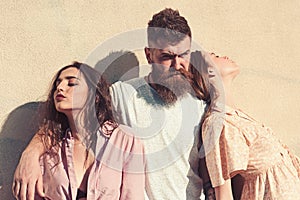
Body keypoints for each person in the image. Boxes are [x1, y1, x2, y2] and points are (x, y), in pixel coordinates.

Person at [13, 8, 209, 199]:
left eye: (184, 55)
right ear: (149, 55)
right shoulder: (122, 94)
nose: (177, 64)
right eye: (167, 56)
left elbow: (208, 170)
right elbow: (68, 121)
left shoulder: (200, 105)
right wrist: (30, 154)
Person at [13, 62, 145, 199]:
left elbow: (132, 195)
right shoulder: (51, 151)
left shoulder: (126, 141)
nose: (60, 88)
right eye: (57, 84)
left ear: (95, 94)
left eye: (71, 84)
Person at [189, 50, 300, 199]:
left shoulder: (237, 118)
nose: (225, 56)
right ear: (208, 72)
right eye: (215, 56)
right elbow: (223, 193)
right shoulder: (219, 123)